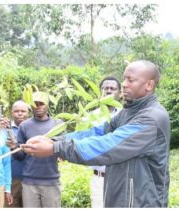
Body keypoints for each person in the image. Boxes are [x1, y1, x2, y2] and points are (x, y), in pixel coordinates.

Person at [22, 60, 171, 207]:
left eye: (130, 80)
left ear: (149, 85)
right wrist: (55, 140)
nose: (124, 84)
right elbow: (97, 132)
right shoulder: (128, 112)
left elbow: (108, 145)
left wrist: (57, 148)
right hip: (120, 197)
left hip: (141, 203)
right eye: (124, 78)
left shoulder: (152, 118)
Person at [13, 91, 62, 208]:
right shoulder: (24, 126)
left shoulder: (58, 124)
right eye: (35, 104)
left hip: (51, 180)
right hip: (29, 182)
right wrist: (14, 147)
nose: (38, 106)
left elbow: (63, 148)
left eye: (41, 103)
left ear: (48, 105)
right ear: (31, 106)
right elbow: (20, 156)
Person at [88, 76, 121, 208]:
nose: (108, 91)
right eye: (105, 88)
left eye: (112, 88)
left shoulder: (126, 116)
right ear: (100, 92)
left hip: (120, 177)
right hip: (99, 178)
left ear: (119, 93)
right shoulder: (90, 117)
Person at [4, 100, 30, 207]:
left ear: (28, 113)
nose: (20, 114)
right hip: (12, 180)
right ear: (12, 113)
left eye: (23, 111)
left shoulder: (33, 129)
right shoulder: (5, 130)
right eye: (17, 111)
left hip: (30, 179)